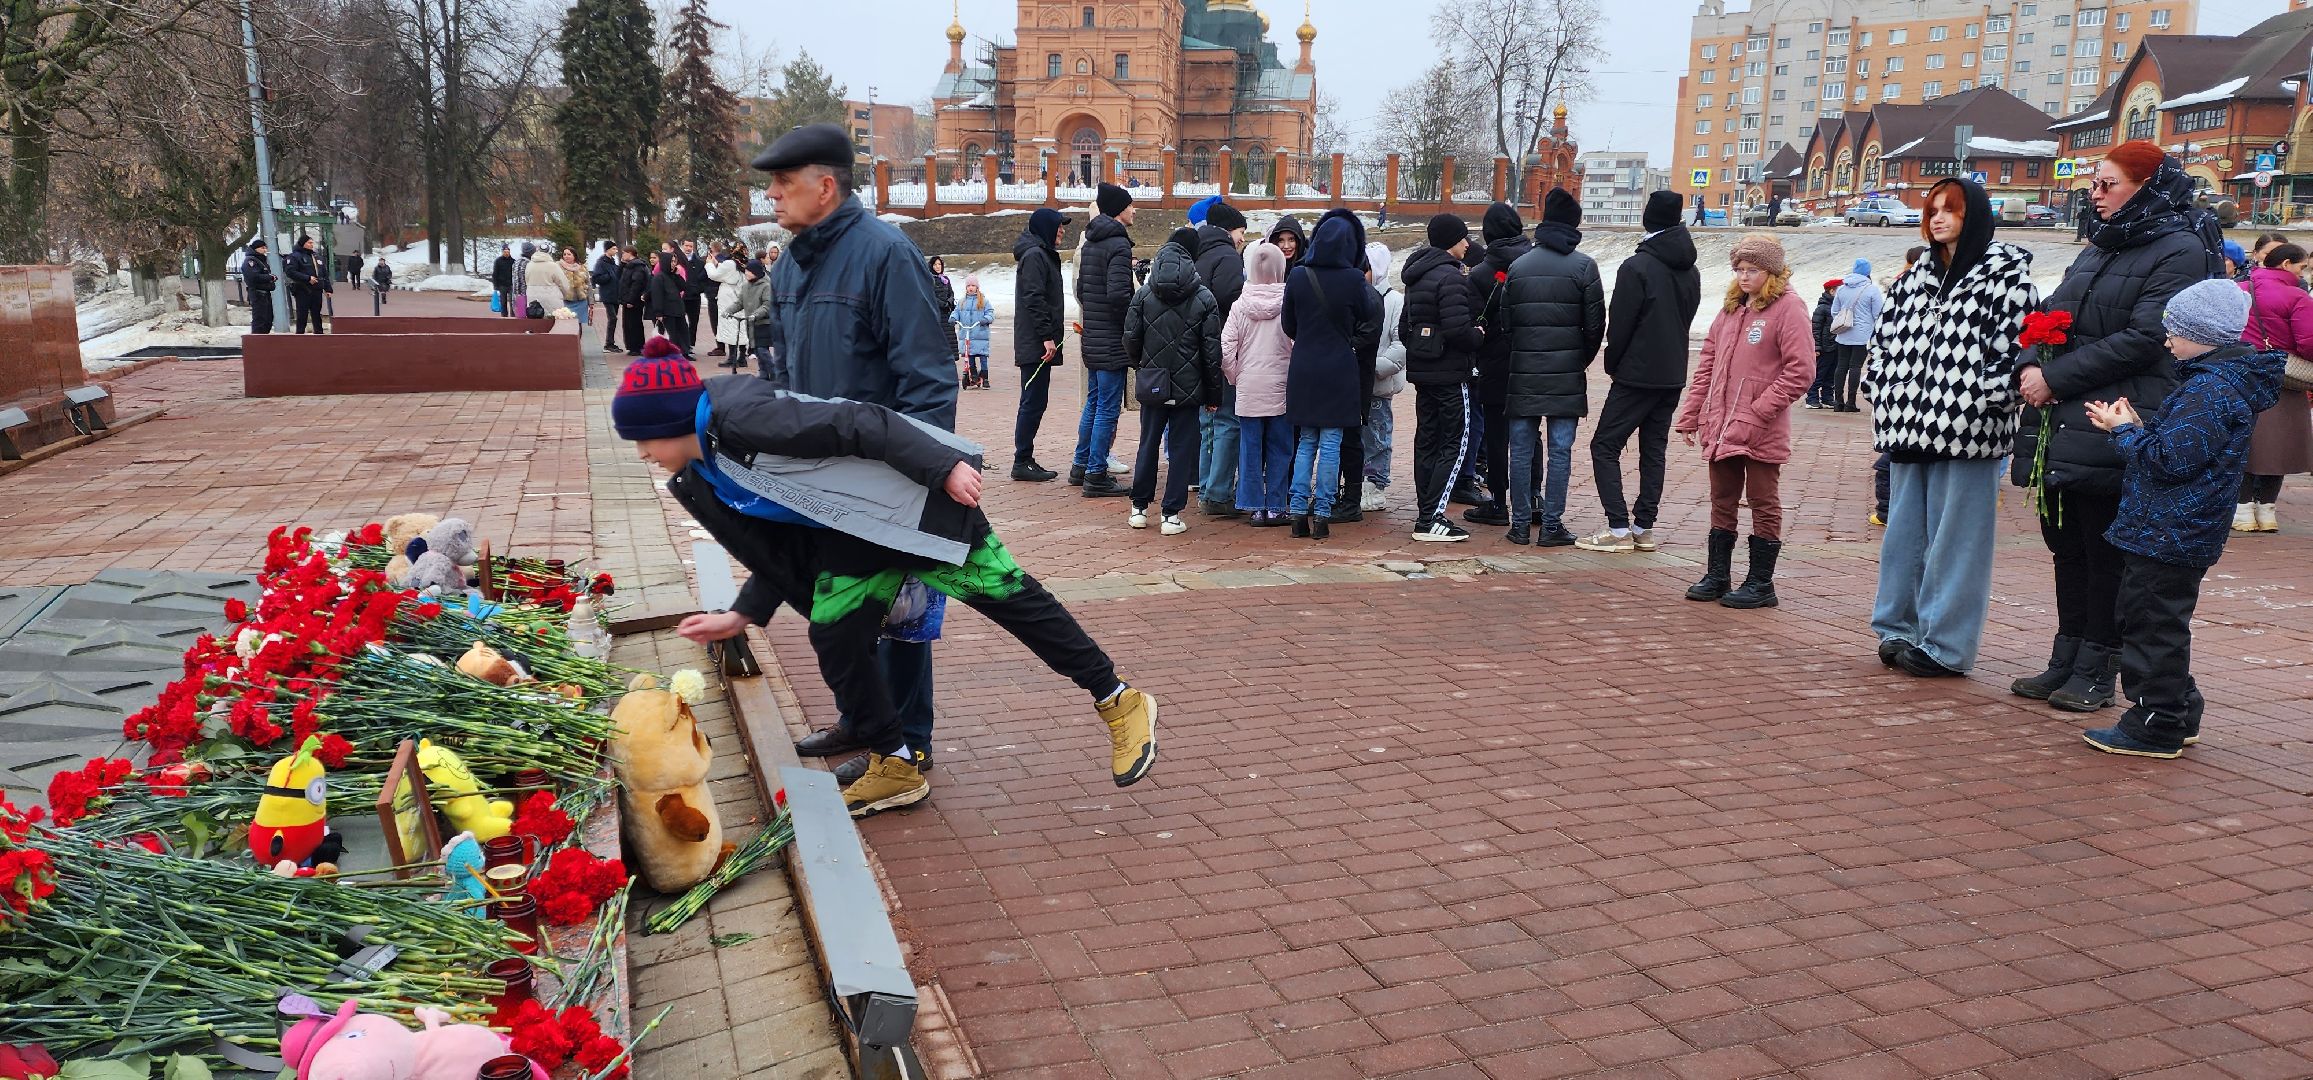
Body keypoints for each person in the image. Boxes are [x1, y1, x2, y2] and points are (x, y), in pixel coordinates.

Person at [615, 347, 1157, 813]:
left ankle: (1119, 699)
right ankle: (895, 764)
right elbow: (778, 547)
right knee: (834, 634)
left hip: (918, 508)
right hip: (852, 536)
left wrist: (940, 466)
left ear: (671, 424)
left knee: (1011, 600)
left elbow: (863, 422)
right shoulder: (701, 472)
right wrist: (743, 613)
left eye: (645, 440)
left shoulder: (745, 421)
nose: (643, 454)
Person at [752, 123, 960, 799]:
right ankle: (863, 721)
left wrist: (919, 476)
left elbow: (927, 376)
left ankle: (910, 747)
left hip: (882, 475)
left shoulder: (885, 254)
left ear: (825, 187)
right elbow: (787, 373)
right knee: (841, 609)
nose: (773, 196)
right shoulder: (791, 263)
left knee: (897, 612)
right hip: (820, 476)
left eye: (783, 183)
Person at [2011, 140, 2220, 714]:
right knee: (2067, 544)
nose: (2096, 196)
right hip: (2066, 416)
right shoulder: (2103, 243)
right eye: (2093, 185)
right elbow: (2050, 312)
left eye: (2108, 185)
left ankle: (2098, 664)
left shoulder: (2179, 247)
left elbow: (2148, 336)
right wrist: (2029, 362)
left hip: (2119, 412)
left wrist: (2055, 378)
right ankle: (2067, 654)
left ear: (2147, 188)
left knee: (2105, 549)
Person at [2079, 281, 2282, 757]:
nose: (2167, 340)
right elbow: (2184, 450)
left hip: (2171, 529)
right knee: (2155, 622)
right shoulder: (2217, 383)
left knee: (2151, 625)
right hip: (2178, 527)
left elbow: (2170, 461)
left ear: (2202, 335)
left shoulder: (2209, 389)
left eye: (2175, 331)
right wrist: (2138, 429)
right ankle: (2178, 710)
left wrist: (2124, 433)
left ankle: (2156, 724)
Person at [1867, 178, 2040, 678]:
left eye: (1951, 210)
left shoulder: (2008, 280)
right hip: (1907, 426)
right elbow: (1882, 344)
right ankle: (1898, 628)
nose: (1938, 218)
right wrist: (1883, 388)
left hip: (1970, 431)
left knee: (1957, 544)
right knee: (1903, 538)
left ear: (1975, 216)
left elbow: (2016, 351)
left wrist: (1985, 400)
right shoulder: (1911, 280)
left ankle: (1946, 645)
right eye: (1933, 210)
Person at [1677, 234, 1813, 609]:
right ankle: (1718, 575)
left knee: (1763, 501)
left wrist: (1759, 409)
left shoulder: (1789, 308)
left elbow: (1800, 371)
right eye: (1739, 269)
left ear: (1771, 271)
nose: (1744, 276)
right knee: (1722, 499)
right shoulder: (1731, 309)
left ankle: (1760, 583)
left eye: (1752, 269)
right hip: (1721, 425)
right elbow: (1707, 366)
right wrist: (1692, 414)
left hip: (1761, 428)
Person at [1582, 191, 1702, 553]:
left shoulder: (1636, 267)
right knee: (1654, 449)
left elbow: (1620, 323)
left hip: (1637, 372)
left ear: (1647, 219)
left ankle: (1618, 527)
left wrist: (1613, 361)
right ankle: (1643, 527)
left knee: (1604, 445)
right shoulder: (1690, 269)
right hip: (1672, 371)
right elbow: (1687, 316)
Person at [1498, 189, 1604, 547]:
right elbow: (1595, 327)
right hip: (1566, 374)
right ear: (1574, 225)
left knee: (1520, 450)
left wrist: (1524, 352)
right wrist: (1578, 359)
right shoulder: (1584, 266)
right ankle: (1551, 525)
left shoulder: (1518, 266)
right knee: (1560, 451)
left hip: (1524, 372)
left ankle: (1519, 524)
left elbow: (1506, 324)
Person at [1281, 209, 1378, 539]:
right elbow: (1367, 312)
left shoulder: (1298, 275)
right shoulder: (1353, 279)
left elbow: (1288, 325)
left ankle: (1297, 511)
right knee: (1332, 443)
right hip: (1339, 367)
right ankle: (1322, 514)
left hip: (1304, 366)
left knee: (1306, 441)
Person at [1124, 228, 1223, 536]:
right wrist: (1213, 394)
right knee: (1181, 449)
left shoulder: (1144, 294)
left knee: (1148, 443)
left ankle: (1139, 508)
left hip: (1153, 382)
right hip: (1189, 387)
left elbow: (1130, 338)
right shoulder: (1204, 297)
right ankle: (1171, 514)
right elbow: (1211, 353)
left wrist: (1142, 365)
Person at [1402, 213, 1482, 542]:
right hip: (1450, 373)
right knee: (1454, 442)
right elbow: (1458, 330)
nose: (1467, 244)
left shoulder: (1416, 275)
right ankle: (1432, 517)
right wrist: (1478, 335)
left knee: (1427, 441)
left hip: (1423, 372)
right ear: (1452, 241)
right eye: (1463, 238)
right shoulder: (1451, 278)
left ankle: (1426, 512)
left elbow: (1404, 328)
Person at [2234, 242, 2313, 533]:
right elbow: (2308, 342)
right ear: (2286, 264)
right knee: (2280, 446)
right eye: (2301, 267)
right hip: (2283, 379)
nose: (2303, 273)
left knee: (2243, 443)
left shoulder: (2239, 289)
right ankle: (2266, 511)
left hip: (2240, 375)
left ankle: (2242, 510)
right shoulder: (2297, 296)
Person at [1464, 202, 1531, 529]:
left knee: (1496, 435)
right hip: (1531, 362)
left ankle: (1498, 502)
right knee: (1531, 433)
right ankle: (1533, 498)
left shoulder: (1479, 274)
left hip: (1493, 364)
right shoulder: (1534, 264)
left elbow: (1475, 325)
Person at [1071, 183, 1138, 498]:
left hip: (1093, 337)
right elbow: (1119, 296)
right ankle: (1096, 473)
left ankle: (1080, 465)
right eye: (1130, 205)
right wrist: (1132, 323)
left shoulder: (1090, 242)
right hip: (1112, 340)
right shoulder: (1118, 244)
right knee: (1108, 408)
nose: (1134, 210)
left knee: (1094, 402)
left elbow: (1082, 290)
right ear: (1119, 209)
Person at [1225, 240, 1294, 525]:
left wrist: (1236, 376)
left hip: (1249, 387)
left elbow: (1226, 349)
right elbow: (1296, 342)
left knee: (1249, 448)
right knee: (1280, 447)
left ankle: (1253, 505)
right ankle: (1276, 506)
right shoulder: (1288, 304)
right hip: (1281, 386)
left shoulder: (1239, 305)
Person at [1192, 201, 1248, 519]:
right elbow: (1230, 297)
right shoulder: (1226, 256)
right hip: (1222, 347)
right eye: (1241, 231)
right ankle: (1218, 493)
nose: (1242, 239)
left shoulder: (1198, 252)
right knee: (1227, 419)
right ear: (1229, 230)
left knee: (1208, 422)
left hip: (1199, 348)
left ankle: (1206, 487)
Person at [1010, 208, 1069, 482]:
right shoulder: (1035, 255)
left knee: (1036, 400)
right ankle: (1021, 460)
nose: (1062, 231)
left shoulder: (1040, 253)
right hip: (1035, 343)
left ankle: (1025, 458)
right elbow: (1034, 298)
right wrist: (1047, 336)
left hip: (1037, 341)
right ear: (1046, 227)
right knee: (1032, 401)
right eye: (1059, 226)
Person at [1362, 242, 1407, 513]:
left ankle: (1376, 485)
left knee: (1377, 438)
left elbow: (1400, 344)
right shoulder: (1356, 297)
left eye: (1366, 268)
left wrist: (1373, 366)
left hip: (1379, 384)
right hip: (1356, 383)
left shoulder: (1394, 301)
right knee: (1357, 437)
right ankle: (1358, 483)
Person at [1826, 259, 1883, 412]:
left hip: (1843, 334)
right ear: (1868, 272)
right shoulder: (1871, 289)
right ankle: (1850, 403)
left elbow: (1834, 311)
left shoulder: (1842, 289)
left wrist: (1845, 322)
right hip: (1863, 336)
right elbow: (1878, 314)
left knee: (1841, 366)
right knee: (1855, 367)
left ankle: (1838, 402)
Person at [952, 274, 995, 390]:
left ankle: (985, 377)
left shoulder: (983, 301)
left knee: (982, 356)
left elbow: (990, 313)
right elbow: (956, 311)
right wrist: (953, 318)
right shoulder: (962, 301)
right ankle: (974, 375)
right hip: (967, 334)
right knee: (969, 356)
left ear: (977, 287)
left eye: (973, 286)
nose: (970, 288)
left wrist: (986, 319)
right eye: (968, 286)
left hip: (980, 334)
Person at [708, 249, 749, 369]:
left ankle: (732, 357)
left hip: (729, 299)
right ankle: (742, 357)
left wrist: (709, 264)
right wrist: (718, 264)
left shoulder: (730, 263)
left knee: (730, 327)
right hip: (740, 297)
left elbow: (714, 275)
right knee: (741, 327)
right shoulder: (744, 264)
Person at [1804, 278, 1840, 409]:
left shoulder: (1838, 307)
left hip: (1835, 345)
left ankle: (1827, 398)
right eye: (1839, 290)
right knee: (1819, 373)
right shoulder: (1822, 308)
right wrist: (1816, 347)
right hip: (1825, 347)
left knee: (1831, 374)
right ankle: (1811, 398)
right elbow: (1815, 329)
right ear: (1832, 291)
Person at [284, 236, 328, 334]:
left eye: (312, 243)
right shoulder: (294, 256)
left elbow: (323, 273)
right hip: (302, 289)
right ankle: (300, 335)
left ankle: (319, 334)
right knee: (302, 314)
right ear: (302, 243)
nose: (312, 245)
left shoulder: (316, 257)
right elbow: (290, 272)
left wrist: (328, 288)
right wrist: (307, 278)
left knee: (316, 314)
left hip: (317, 289)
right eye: (309, 243)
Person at [648, 251, 689, 353]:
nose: (674, 264)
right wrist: (658, 312)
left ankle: (684, 351)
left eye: (675, 261)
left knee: (683, 332)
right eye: (672, 261)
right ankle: (672, 353)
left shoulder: (673, 275)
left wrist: (677, 275)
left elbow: (684, 287)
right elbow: (657, 295)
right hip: (667, 311)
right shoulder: (659, 277)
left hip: (678, 309)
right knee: (671, 334)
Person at [617, 247, 650, 358]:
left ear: (630, 253)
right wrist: (622, 264)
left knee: (633, 324)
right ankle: (633, 346)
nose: (622, 255)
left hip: (634, 301)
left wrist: (630, 300)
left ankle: (636, 347)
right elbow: (619, 277)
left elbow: (636, 284)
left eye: (624, 253)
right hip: (627, 299)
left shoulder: (638, 267)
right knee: (628, 323)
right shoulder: (629, 266)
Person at [242, 239, 276, 334]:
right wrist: (269, 277)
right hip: (258, 293)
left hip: (265, 293)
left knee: (268, 319)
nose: (265, 250)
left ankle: (264, 339)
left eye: (265, 248)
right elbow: (253, 276)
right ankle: (257, 339)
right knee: (260, 319)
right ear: (256, 249)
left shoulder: (261, 260)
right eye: (262, 248)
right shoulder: (251, 261)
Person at [592, 246, 622, 352]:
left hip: (616, 295)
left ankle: (610, 343)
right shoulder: (601, 263)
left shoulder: (613, 263)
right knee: (612, 318)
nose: (616, 251)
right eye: (613, 249)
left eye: (616, 249)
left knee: (614, 319)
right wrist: (609, 276)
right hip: (607, 295)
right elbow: (596, 278)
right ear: (607, 250)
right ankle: (609, 343)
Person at [679, 239, 709, 346]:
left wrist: (696, 290)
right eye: (686, 246)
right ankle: (680, 343)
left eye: (690, 246)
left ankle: (690, 344)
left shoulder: (700, 263)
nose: (688, 248)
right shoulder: (677, 260)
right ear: (682, 246)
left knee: (693, 322)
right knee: (679, 321)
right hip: (680, 297)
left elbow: (704, 279)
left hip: (694, 297)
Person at [524, 245, 566, 319]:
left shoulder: (529, 265)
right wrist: (564, 295)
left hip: (532, 297)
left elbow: (526, 280)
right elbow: (563, 284)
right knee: (551, 320)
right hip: (551, 298)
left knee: (535, 320)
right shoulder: (553, 266)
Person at [558, 247, 590, 330]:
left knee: (580, 325)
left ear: (574, 256)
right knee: (567, 325)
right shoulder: (558, 267)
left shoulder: (583, 267)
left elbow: (588, 284)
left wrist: (591, 301)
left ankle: (579, 338)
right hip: (565, 301)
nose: (566, 256)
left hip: (581, 302)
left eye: (569, 254)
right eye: (564, 254)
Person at [491, 244, 515, 317]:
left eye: (508, 252)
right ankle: (504, 316)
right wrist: (495, 285)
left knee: (512, 301)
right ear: (502, 252)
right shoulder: (498, 261)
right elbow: (495, 274)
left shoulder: (513, 261)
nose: (506, 253)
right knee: (503, 301)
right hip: (502, 285)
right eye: (505, 252)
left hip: (511, 284)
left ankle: (513, 315)